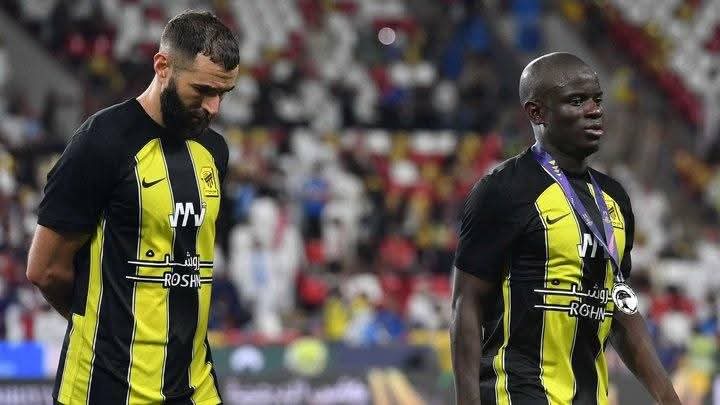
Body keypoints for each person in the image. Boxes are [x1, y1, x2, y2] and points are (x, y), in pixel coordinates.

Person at [26, 11, 239, 404]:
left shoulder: (214, 151)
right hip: (103, 386)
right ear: (162, 66)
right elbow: (46, 269)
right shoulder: (101, 141)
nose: (214, 108)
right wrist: (108, 331)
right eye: (203, 90)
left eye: (223, 94)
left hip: (195, 387)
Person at [450, 52, 680, 405]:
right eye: (577, 101)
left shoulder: (615, 199)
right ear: (536, 112)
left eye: (597, 100)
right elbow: (466, 304)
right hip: (518, 393)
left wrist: (669, 399)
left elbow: (618, 307)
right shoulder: (503, 190)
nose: (594, 110)